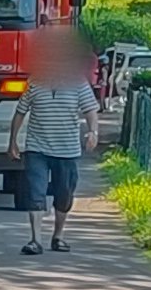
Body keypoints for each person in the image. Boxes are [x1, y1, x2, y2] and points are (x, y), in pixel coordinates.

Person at [6, 61, 104, 255]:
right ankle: (35, 240)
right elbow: (20, 112)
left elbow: (90, 110)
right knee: (35, 192)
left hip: (67, 150)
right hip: (37, 148)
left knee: (64, 194)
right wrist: (13, 142)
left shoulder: (78, 83)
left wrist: (93, 132)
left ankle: (58, 236)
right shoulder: (35, 82)